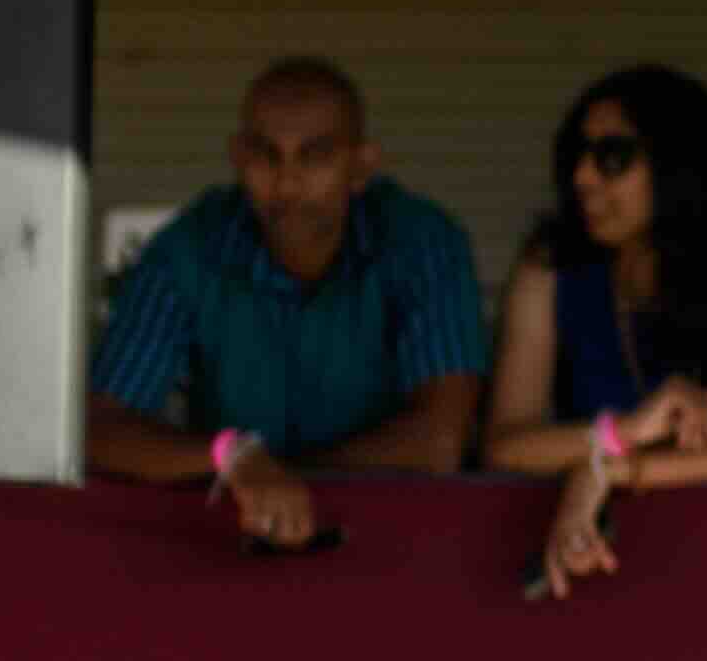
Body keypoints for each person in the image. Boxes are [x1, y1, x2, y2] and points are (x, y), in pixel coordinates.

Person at [89, 56, 491, 550]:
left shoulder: (422, 243)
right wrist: (233, 456)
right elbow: (101, 429)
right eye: (265, 155)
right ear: (238, 157)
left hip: (392, 544)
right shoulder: (188, 250)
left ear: (361, 166)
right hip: (233, 546)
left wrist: (273, 473)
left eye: (316, 156)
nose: (287, 181)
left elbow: (440, 442)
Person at [486, 67, 707, 599]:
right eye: (578, 154)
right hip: (588, 570)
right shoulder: (551, 263)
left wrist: (613, 471)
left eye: (612, 157)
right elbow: (506, 446)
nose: (583, 178)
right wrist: (619, 436)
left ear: (678, 163)